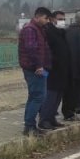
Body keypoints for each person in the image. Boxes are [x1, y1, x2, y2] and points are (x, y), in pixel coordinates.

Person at [18, 7, 52, 136]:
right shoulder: (30, 29)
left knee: (35, 96)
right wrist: (39, 66)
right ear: (38, 17)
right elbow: (31, 49)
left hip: (40, 68)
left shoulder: (39, 29)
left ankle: (30, 125)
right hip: (34, 69)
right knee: (38, 96)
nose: (47, 21)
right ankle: (29, 126)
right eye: (45, 18)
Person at [37, 10, 70, 131]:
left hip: (62, 68)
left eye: (63, 19)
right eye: (59, 19)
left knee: (58, 95)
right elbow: (47, 49)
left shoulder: (61, 32)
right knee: (51, 95)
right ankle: (44, 119)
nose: (62, 21)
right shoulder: (48, 31)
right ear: (52, 19)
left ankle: (51, 118)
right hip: (52, 68)